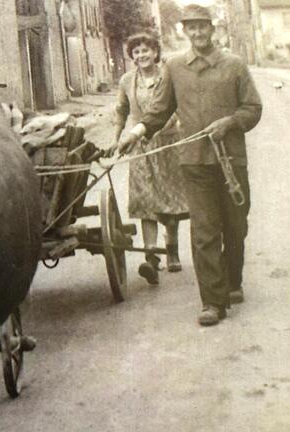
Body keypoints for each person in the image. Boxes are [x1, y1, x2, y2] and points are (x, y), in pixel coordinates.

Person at [116, 4, 262, 326]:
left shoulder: (234, 66)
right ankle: (212, 302)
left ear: (212, 29)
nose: (197, 33)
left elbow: (253, 108)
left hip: (231, 163)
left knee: (235, 228)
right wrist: (136, 132)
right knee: (205, 231)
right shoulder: (176, 67)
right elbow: (159, 109)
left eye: (202, 27)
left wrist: (230, 121)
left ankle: (232, 281)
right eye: (190, 28)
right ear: (185, 31)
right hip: (194, 162)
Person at [113, 32, 189, 286]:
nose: (141, 55)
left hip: (168, 143)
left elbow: (178, 107)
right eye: (136, 52)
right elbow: (121, 111)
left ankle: (172, 249)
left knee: (169, 198)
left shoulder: (168, 76)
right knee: (146, 200)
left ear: (155, 52)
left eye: (146, 50)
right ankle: (151, 258)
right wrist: (117, 138)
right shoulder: (126, 81)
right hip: (140, 146)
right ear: (132, 57)